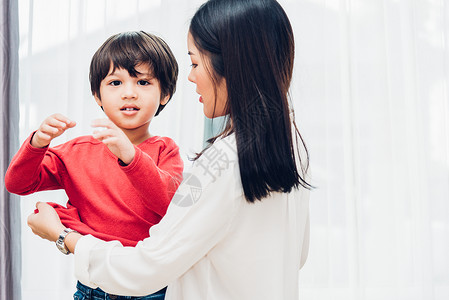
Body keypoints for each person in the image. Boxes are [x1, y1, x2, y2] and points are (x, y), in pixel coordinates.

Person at [27, 0, 312, 299]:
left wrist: (63, 236)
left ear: (230, 65)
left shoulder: (217, 165)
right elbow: (297, 254)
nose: (191, 76)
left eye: (194, 63)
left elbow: (147, 266)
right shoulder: (292, 148)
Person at [6, 31, 183, 299]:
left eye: (143, 82)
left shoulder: (164, 150)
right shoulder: (77, 151)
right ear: (97, 96)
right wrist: (38, 143)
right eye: (115, 82)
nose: (129, 93)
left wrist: (131, 158)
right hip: (91, 287)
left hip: (150, 289)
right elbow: (17, 183)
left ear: (165, 94)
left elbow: (171, 208)